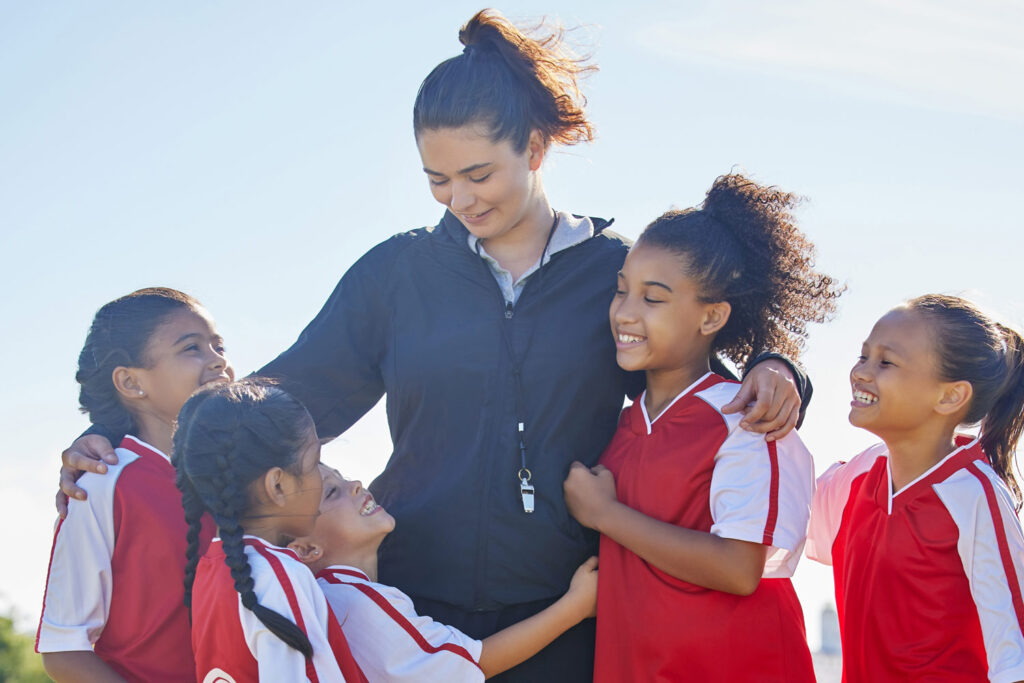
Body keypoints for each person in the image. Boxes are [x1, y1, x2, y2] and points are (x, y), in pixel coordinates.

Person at [56, 10, 810, 680]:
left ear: (537, 148)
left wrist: (781, 369)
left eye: (479, 173)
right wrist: (118, 433)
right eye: (438, 180)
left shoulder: (613, 273)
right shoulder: (397, 274)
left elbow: (697, 372)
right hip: (412, 610)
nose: (462, 199)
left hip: (571, 609)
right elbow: (283, 395)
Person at [564, 174, 842, 681]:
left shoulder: (746, 418)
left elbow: (738, 570)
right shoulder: (621, 421)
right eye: (621, 291)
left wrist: (605, 513)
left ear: (711, 316)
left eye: (653, 298)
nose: (625, 312)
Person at [805, 294, 1024, 682]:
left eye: (886, 362)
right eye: (863, 356)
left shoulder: (974, 496)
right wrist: (777, 370)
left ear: (950, 396)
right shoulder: (858, 475)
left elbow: (1015, 659)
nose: (861, 372)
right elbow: (771, 518)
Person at [36, 288, 233, 682]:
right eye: (192, 348)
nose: (219, 362)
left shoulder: (245, 474)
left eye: (219, 345)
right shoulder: (104, 483)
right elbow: (64, 650)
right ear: (130, 382)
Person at [287, 464, 598, 681]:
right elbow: (475, 663)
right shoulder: (356, 602)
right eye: (331, 492)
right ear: (306, 550)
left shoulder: (327, 598)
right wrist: (576, 606)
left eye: (342, 478)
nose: (354, 483)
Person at [175, 379, 367, 682]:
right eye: (315, 462)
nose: (322, 475)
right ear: (278, 486)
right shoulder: (280, 576)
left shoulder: (212, 569)